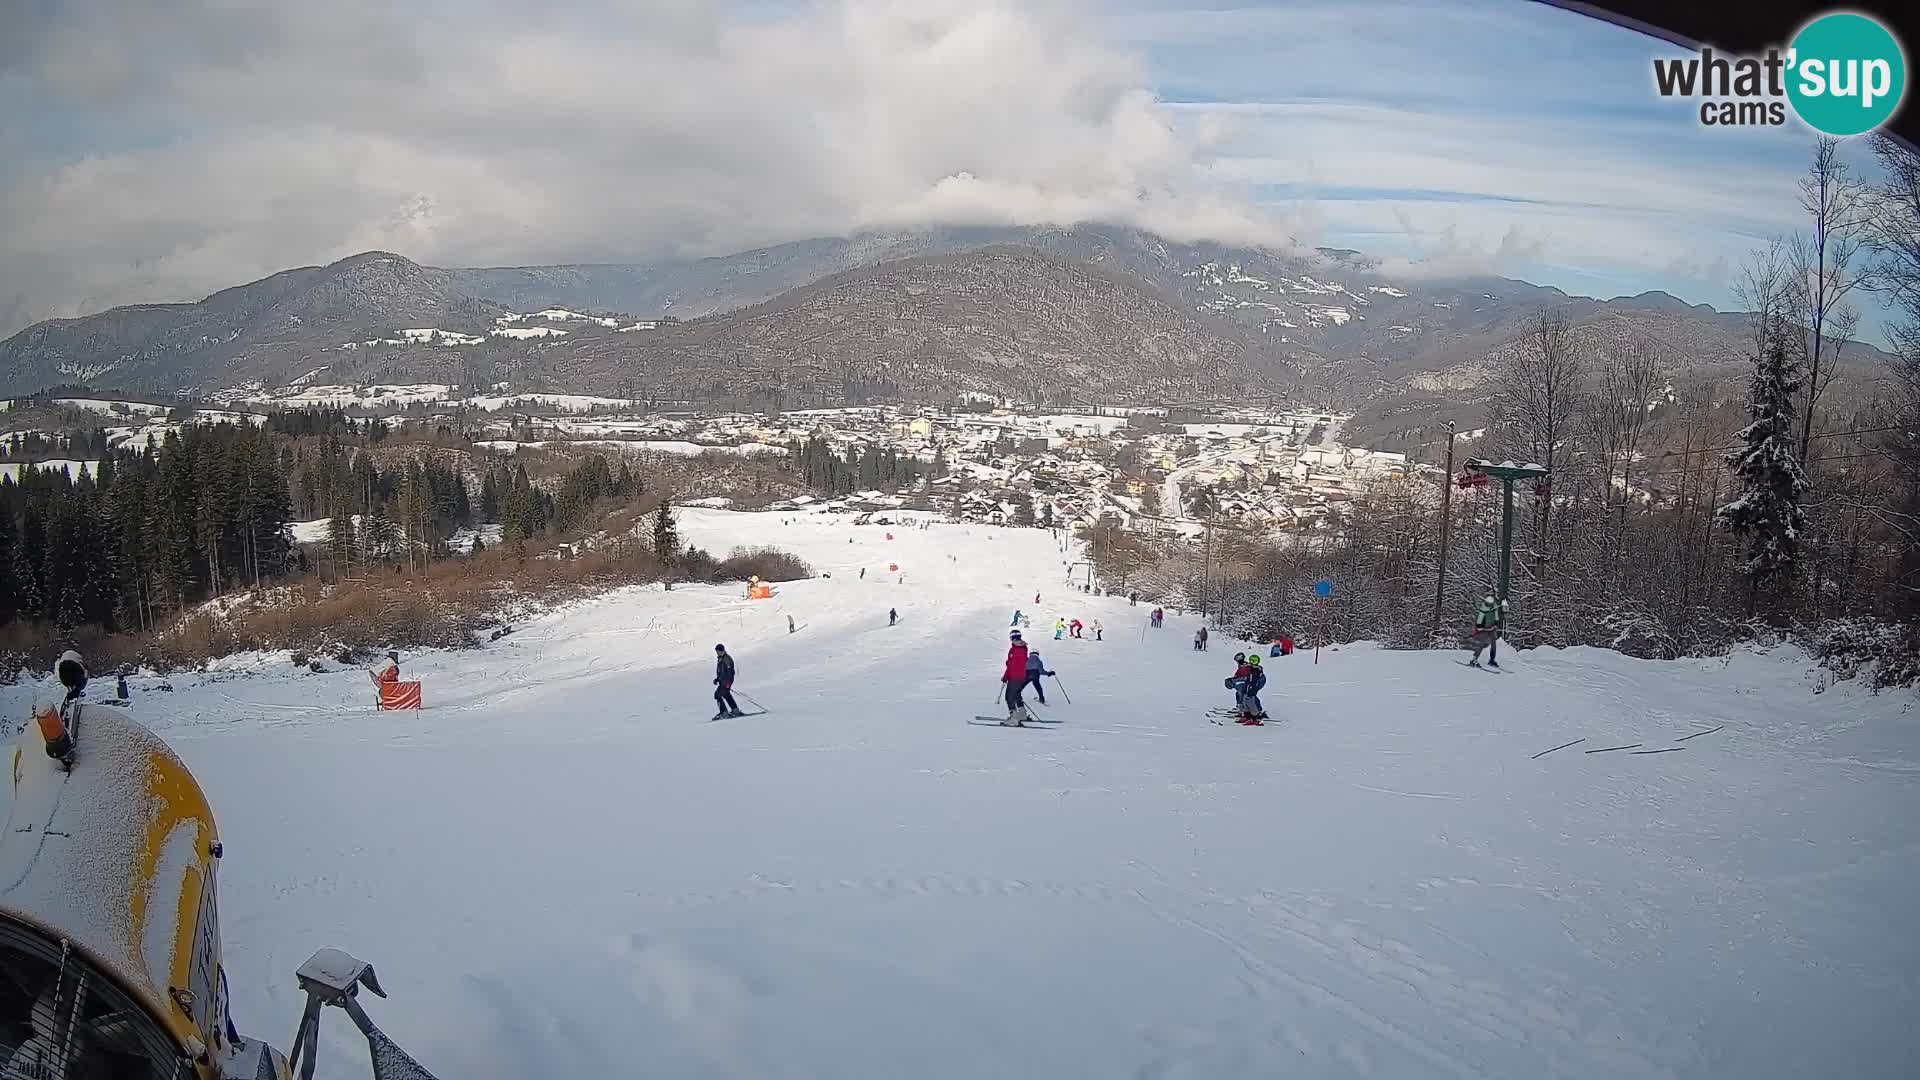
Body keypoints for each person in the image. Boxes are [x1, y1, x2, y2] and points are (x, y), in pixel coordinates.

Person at [1468, 594, 1507, 668]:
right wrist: (1484, 628)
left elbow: (1496, 619)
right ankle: (1474, 659)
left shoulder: (1494, 609)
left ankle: (1492, 660)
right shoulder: (1482, 611)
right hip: (1484, 629)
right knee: (1481, 643)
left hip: (1491, 628)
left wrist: (1495, 625)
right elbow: (1479, 624)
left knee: (1493, 643)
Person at [1001, 630, 1031, 725]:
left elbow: (1012, 665)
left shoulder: (1015, 649)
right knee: (1016, 694)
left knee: (1009, 696)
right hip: (1020, 676)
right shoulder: (1022, 648)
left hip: (1015, 676)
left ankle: (1014, 718)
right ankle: (1022, 714)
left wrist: (1006, 675)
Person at [713, 643, 742, 718]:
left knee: (717, 694)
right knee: (726, 694)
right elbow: (721, 671)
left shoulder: (727, 659)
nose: (717, 652)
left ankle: (724, 712)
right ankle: (735, 710)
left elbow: (730, 672)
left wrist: (728, 683)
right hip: (723, 681)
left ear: (722, 650)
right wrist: (717, 679)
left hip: (727, 682)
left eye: (718, 651)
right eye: (716, 651)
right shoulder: (720, 658)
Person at [1238, 654, 1268, 724]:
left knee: (1251, 701)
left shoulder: (1256, 670)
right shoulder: (1250, 668)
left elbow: (1255, 681)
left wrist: (1252, 688)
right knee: (1244, 699)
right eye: (1252, 661)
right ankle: (1247, 715)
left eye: (1255, 661)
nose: (1253, 663)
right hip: (1247, 687)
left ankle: (1256, 717)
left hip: (1252, 688)